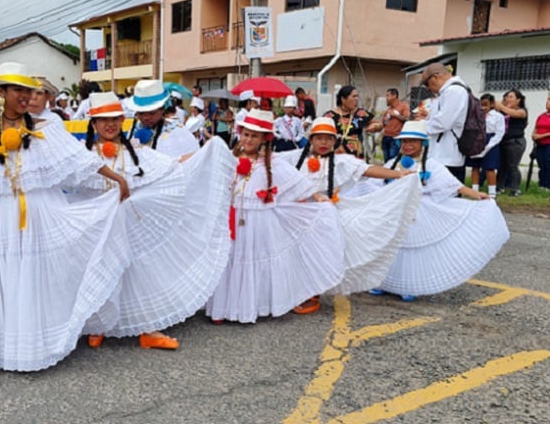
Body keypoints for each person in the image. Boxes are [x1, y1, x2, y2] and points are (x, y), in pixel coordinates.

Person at [0, 62, 130, 375]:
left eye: (29, 90)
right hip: (1, 217)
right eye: (18, 90)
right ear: (1, 93)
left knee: (34, 275)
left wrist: (115, 176)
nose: (25, 96)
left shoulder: (46, 129)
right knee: (0, 278)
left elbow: (79, 161)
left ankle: (36, 345)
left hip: (41, 211)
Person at [76, 92, 233, 347]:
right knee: (101, 269)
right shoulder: (82, 156)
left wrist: (208, 153)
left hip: (130, 224)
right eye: (103, 119)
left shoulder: (135, 152)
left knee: (138, 271)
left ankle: (148, 328)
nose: (110, 125)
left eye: (115, 119)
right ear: (93, 123)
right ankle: (98, 325)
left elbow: (172, 166)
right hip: (98, 226)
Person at [205, 109, 345, 324]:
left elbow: (297, 182)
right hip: (231, 221)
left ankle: (249, 307)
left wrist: (317, 196)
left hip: (259, 222)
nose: (248, 139)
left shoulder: (273, 163)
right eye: (246, 134)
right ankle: (223, 308)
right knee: (230, 260)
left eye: (254, 136)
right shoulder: (229, 159)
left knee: (253, 261)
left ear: (263, 140)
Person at [286, 117, 421, 313]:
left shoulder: (341, 162)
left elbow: (367, 169)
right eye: (319, 138)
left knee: (318, 255)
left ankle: (311, 293)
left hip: (326, 215)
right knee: (293, 254)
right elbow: (271, 163)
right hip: (297, 214)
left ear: (335, 142)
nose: (323, 143)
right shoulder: (294, 158)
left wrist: (398, 175)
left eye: (328, 139)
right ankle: (291, 291)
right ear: (311, 139)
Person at [366, 120, 509, 299]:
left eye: (413, 141)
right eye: (405, 141)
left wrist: (475, 194)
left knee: (412, 251)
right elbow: (374, 182)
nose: (408, 145)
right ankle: (383, 282)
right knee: (389, 247)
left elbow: (452, 185)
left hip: (418, 214)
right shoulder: (392, 164)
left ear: (423, 143)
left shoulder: (432, 165)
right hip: (394, 213)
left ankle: (408, 285)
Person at [415, 63, 468, 183]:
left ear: (436, 77)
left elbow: (443, 123)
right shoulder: (447, 92)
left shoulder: (454, 91)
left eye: (427, 84)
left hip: (447, 156)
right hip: (442, 154)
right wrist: (428, 117)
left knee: (447, 197)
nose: (428, 89)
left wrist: (420, 125)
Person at [127, 79, 199, 158]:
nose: (146, 118)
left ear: (163, 109)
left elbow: (189, 161)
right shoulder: (135, 128)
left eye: (152, 113)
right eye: (140, 113)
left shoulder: (177, 132)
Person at [467, 93, 505, 199]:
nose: (483, 108)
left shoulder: (498, 116)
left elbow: (500, 133)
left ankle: (492, 192)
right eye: (481, 105)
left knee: (490, 167)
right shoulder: (476, 115)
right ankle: (475, 190)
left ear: (492, 104)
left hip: (491, 142)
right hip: (477, 140)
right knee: (475, 166)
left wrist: (489, 146)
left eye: (485, 105)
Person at [322, 85, 373, 159]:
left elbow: (378, 123)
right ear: (343, 99)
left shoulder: (360, 113)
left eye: (357, 96)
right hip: (336, 154)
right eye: (354, 96)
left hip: (356, 156)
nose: (357, 99)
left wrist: (375, 126)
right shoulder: (330, 116)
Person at [495, 88, 528, 196]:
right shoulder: (503, 110)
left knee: (513, 166)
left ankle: (515, 189)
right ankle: (499, 187)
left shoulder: (522, 110)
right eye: (507, 97)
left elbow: (514, 114)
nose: (508, 99)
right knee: (502, 165)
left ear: (518, 100)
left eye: (511, 97)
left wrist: (502, 106)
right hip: (503, 140)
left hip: (515, 142)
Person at [380, 88, 411, 162]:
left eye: (388, 96)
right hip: (386, 137)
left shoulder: (403, 106)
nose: (386, 98)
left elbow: (407, 119)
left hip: (395, 137)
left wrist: (396, 115)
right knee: (386, 161)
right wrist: (384, 121)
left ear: (394, 96)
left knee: (393, 160)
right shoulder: (388, 110)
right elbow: (383, 124)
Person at [533, 95, 550, 190]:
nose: (547, 103)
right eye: (547, 101)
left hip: (548, 144)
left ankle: (548, 185)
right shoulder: (541, 116)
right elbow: (536, 127)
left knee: (548, 164)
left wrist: (541, 136)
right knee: (541, 164)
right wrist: (534, 135)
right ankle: (541, 184)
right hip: (540, 144)